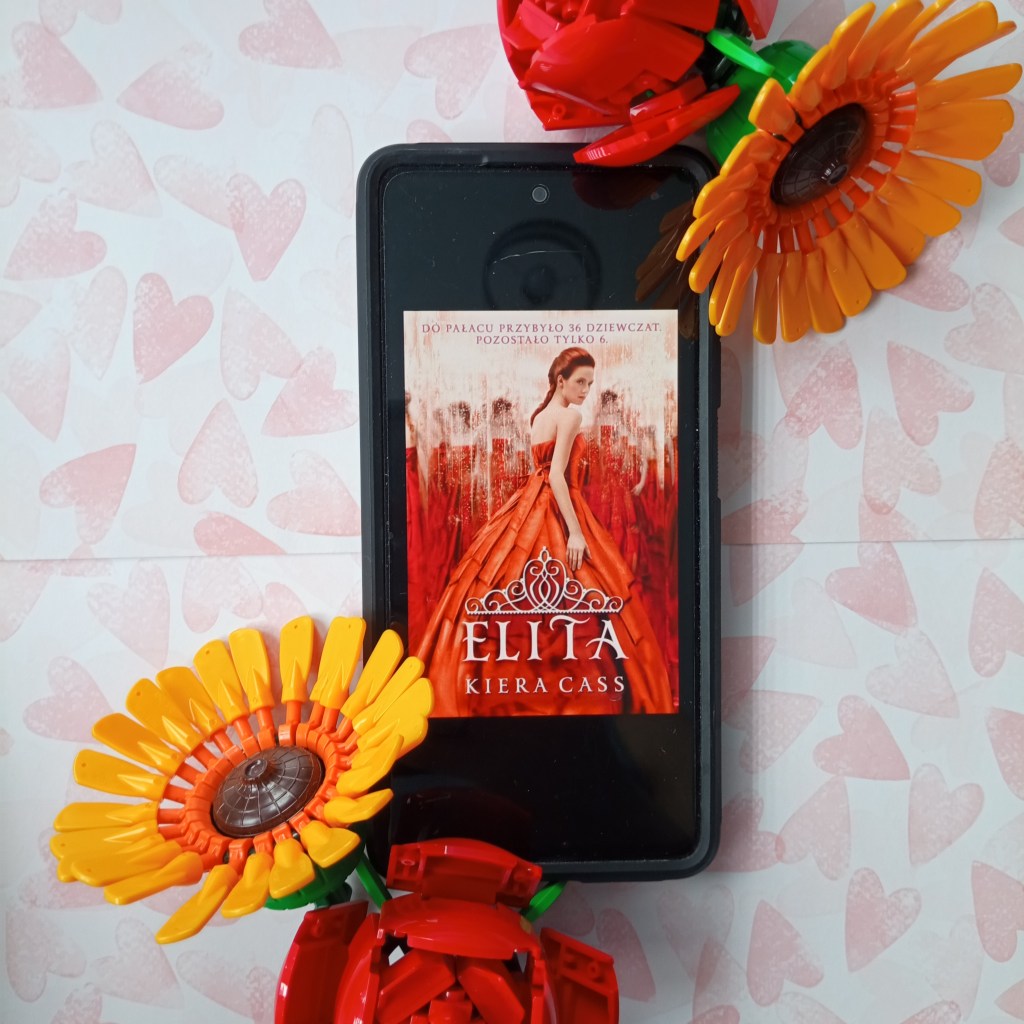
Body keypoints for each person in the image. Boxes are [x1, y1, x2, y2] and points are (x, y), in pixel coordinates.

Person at [414, 347, 673, 717]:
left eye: (590, 383)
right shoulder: (569, 417)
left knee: (502, 579)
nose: (586, 390)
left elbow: (542, 470)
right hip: (557, 502)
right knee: (583, 590)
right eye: (580, 382)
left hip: (529, 502)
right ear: (560, 381)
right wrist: (575, 532)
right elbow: (556, 477)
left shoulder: (539, 416)